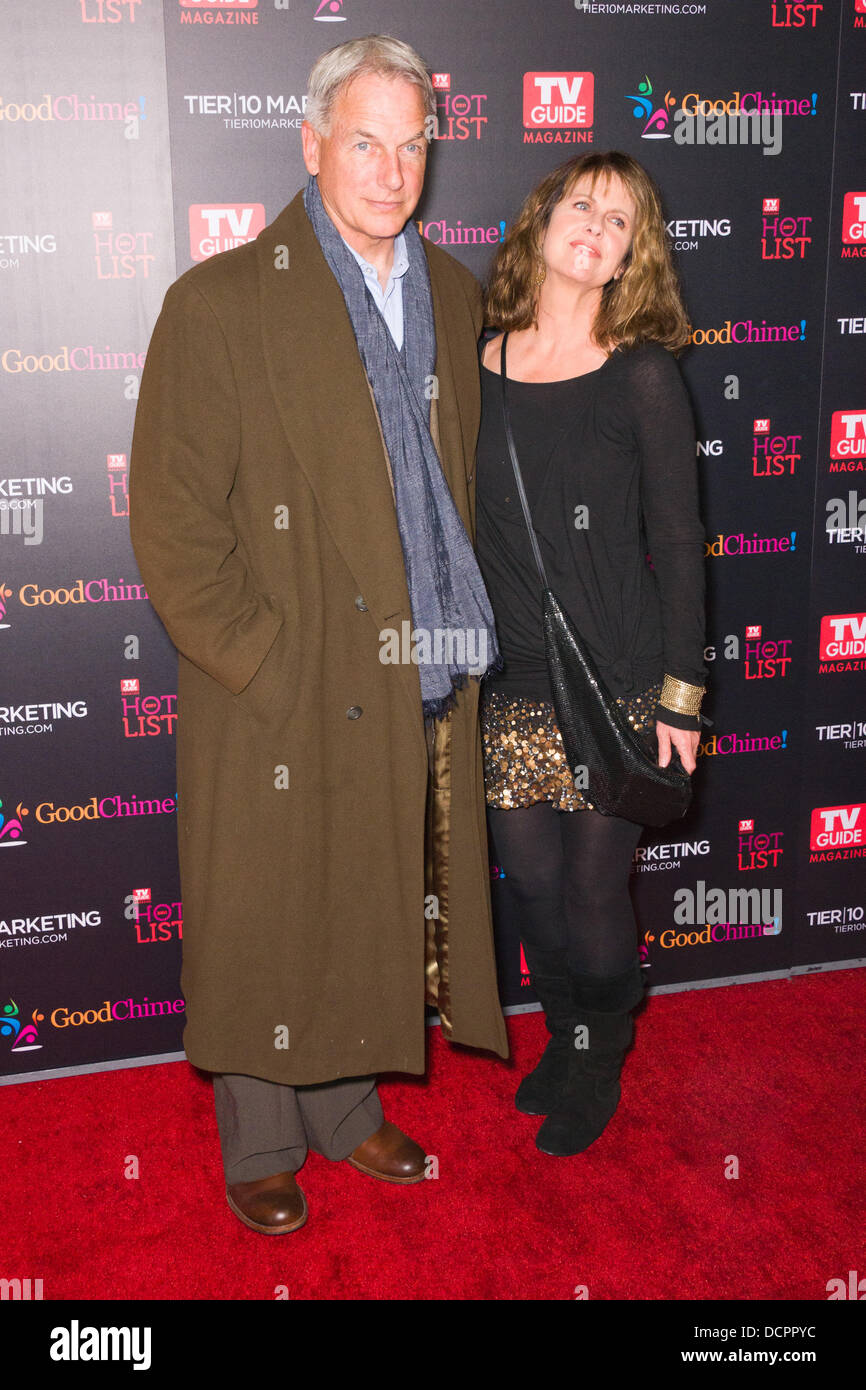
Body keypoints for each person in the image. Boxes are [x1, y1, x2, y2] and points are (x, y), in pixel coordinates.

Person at [129, 34, 507, 1236]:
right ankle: (261, 1138)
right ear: (309, 145)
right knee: (268, 904)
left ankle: (346, 1109)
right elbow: (175, 518)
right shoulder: (221, 301)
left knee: (366, 893)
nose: (392, 171)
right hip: (281, 684)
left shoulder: (453, 297)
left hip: (410, 672)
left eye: (411, 145)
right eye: (364, 141)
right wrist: (265, 659)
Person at [475, 151, 706, 1157]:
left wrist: (680, 700)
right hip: (507, 678)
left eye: (618, 224)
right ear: (539, 226)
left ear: (626, 259)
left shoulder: (641, 374)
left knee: (587, 887)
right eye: (581, 206)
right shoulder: (475, 362)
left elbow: (680, 545)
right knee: (528, 882)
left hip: (614, 682)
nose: (595, 229)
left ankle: (596, 1058)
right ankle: (561, 1035)